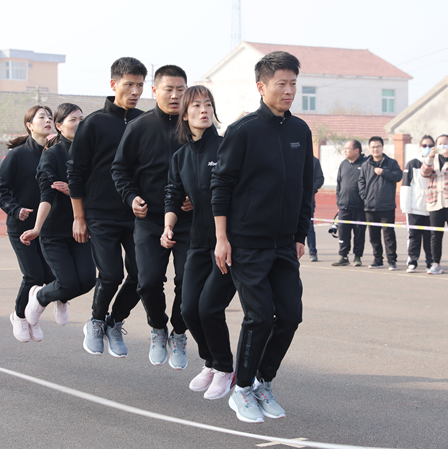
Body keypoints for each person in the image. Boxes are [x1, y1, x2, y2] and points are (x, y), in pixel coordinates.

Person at [212, 51, 313, 423]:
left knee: (290, 316)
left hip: (284, 243)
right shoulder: (243, 131)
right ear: (261, 86)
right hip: (246, 242)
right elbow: (220, 185)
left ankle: (262, 382)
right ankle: (241, 390)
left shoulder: (300, 131)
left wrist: (300, 233)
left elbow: (305, 186)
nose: (289, 91)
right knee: (259, 318)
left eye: (293, 84)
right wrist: (222, 238)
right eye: (281, 84)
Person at [112, 65, 192, 369]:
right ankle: (158, 329)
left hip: (187, 222)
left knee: (187, 283)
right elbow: (119, 169)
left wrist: (197, 199)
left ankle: (179, 333)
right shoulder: (139, 127)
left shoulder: (195, 127)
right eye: (168, 89)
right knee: (147, 282)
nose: (175, 95)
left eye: (180, 89)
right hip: (149, 219)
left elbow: (213, 170)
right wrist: (131, 197)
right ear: (155, 90)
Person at [67, 57, 146, 357]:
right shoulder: (93, 123)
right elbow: (76, 172)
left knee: (142, 276)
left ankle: (115, 321)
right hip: (100, 214)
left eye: (140, 85)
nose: (135, 91)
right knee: (111, 275)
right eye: (129, 84)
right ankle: (96, 320)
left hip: (138, 214)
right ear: (114, 84)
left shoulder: (145, 122)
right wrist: (79, 217)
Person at [162, 85, 237, 398]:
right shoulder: (180, 156)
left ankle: (225, 368)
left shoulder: (226, 147)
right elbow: (172, 194)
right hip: (197, 243)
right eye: (196, 106)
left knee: (208, 308)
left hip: (229, 244)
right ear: (185, 114)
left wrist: (226, 238)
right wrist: (168, 226)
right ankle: (211, 362)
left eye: (208, 104)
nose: (204, 110)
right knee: (188, 310)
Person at [20, 104, 96, 340]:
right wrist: (37, 228)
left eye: (82, 119)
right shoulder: (52, 156)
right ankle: (40, 296)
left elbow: (100, 188)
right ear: (59, 126)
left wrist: (74, 190)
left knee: (87, 281)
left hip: (81, 229)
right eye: (73, 119)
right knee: (68, 283)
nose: (80, 123)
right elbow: (47, 195)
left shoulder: (91, 152)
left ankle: (59, 295)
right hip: (54, 232)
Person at [0, 105, 56, 343]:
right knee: (33, 275)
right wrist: (16, 209)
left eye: (50, 117)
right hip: (21, 227)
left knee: (51, 275)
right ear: (29, 125)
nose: (48, 120)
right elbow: (0, 190)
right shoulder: (17, 155)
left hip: (49, 226)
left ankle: (33, 314)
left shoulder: (55, 152)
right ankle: (20, 316)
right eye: (42, 117)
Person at [421, 134, 448, 275]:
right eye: (439, 143)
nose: (442, 145)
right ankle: (436, 264)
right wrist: (430, 157)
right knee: (435, 236)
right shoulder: (431, 159)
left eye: (444, 143)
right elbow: (424, 173)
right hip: (435, 202)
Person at [358, 136, 402, 270]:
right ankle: (378, 259)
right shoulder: (365, 165)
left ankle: (392, 260)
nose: (375, 149)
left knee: (389, 234)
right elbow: (361, 182)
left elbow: (398, 176)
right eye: (373, 147)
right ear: (369, 148)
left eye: (378, 146)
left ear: (382, 147)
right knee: (374, 235)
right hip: (370, 206)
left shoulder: (391, 163)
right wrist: (365, 197)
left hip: (386, 206)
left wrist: (384, 172)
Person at [400, 136, 433, 273]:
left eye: (430, 145)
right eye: (424, 145)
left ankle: (431, 263)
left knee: (430, 238)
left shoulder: (436, 163)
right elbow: (406, 186)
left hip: (431, 208)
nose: (427, 148)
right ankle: (412, 261)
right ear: (420, 147)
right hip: (415, 208)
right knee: (414, 236)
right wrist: (406, 207)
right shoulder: (412, 163)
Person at [332, 140, 367, 267]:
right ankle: (343, 256)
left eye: (348, 148)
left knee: (359, 233)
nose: (345, 150)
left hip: (360, 207)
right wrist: (339, 201)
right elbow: (339, 184)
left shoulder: (365, 164)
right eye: (345, 148)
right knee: (343, 232)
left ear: (357, 150)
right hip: (344, 206)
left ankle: (357, 257)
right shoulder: (343, 164)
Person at [307, 156, 324, 261]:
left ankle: (312, 252)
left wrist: (310, 190)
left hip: (308, 201)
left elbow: (320, 179)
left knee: (309, 227)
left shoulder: (314, 161)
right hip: (292, 200)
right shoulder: (292, 157)